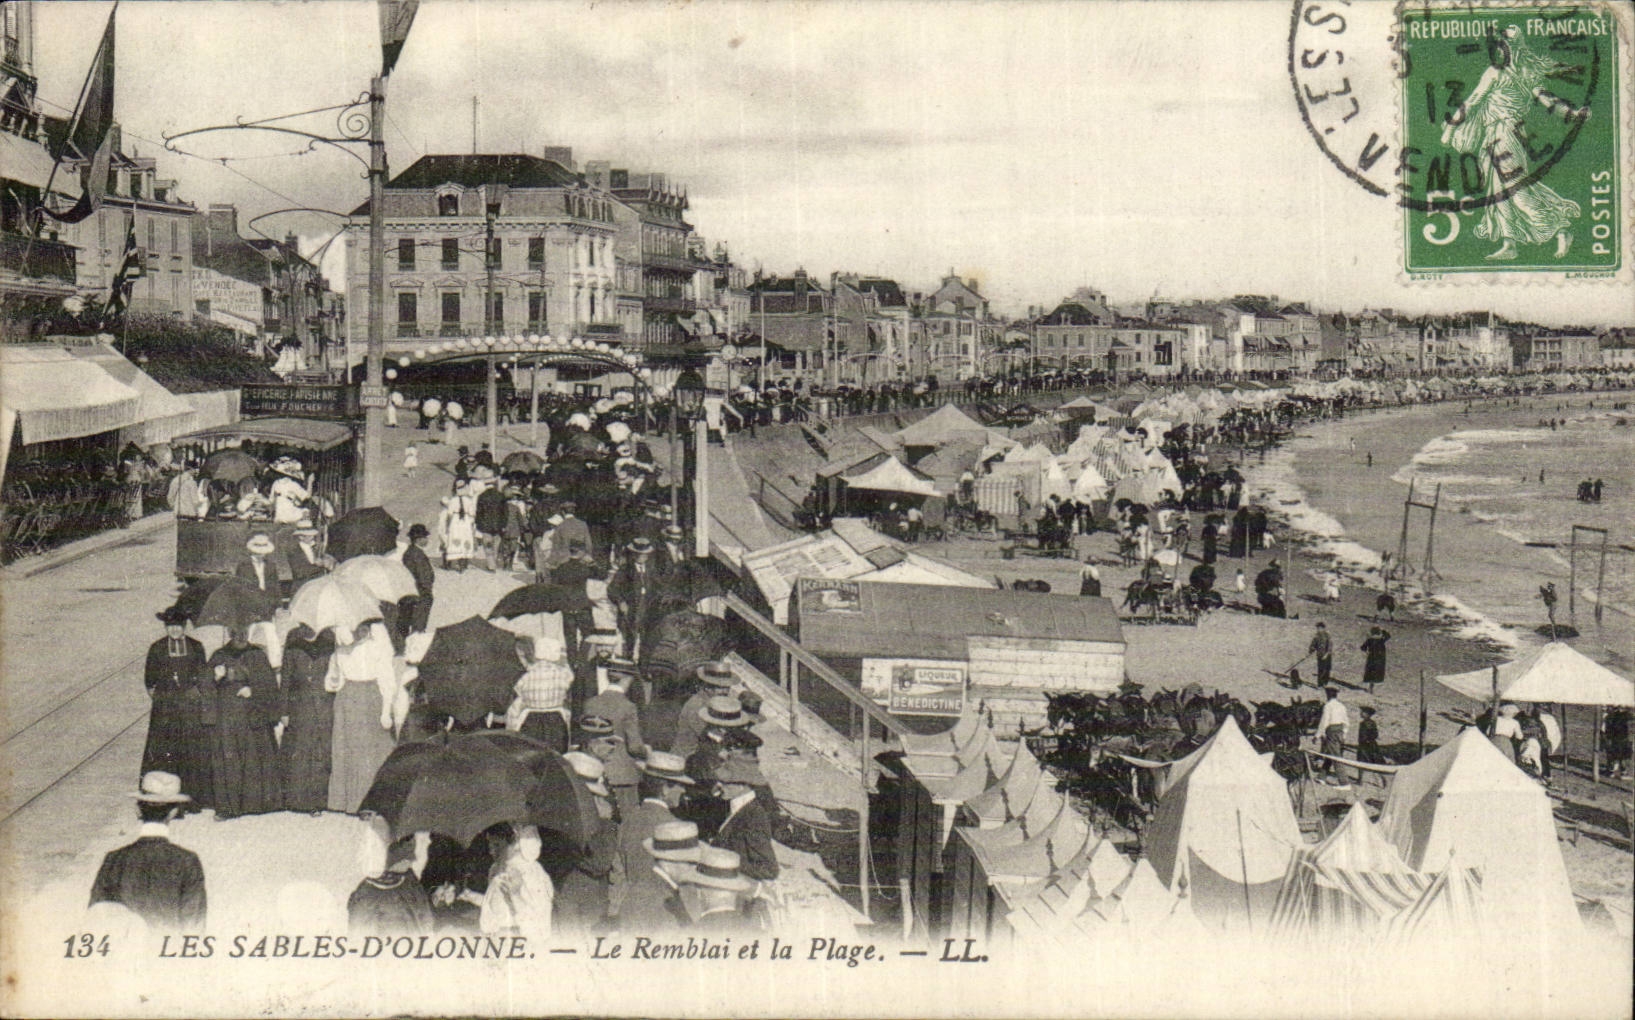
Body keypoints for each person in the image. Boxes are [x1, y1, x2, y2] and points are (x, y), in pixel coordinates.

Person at [1439, 24, 1583, 261]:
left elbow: (1472, 102)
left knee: (1515, 189)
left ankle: (1559, 228)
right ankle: (1509, 243)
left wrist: (1451, 128)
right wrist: (1571, 114)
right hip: (1500, 136)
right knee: (1499, 191)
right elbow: (1549, 102)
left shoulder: (1495, 73)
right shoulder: (1527, 74)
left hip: (1503, 134)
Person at [90, 772, 206, 931]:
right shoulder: (187, 861)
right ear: (173, 813)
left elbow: (95, 920)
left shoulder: (114, 859)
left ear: (137, 810)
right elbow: (194, 928)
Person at [141, 607, 213, 809]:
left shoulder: (196, 647)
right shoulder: (157, 648)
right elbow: (150, 681)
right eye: (170, 626)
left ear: (184, 627)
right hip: (165, 711)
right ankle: (164, 800)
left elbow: (203, 676)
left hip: (189, 710)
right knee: (165, 751)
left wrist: (193, 695)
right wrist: (164, 700)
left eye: (178, 626)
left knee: (191, 752)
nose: (174, 630)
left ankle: (193, 800)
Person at [207, 625, 281, 817]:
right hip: (227, 714)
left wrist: (253, 690)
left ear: (248, 633)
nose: (239, 636)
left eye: (243, 632)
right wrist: (216, 676)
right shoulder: (219, 655)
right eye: (235, 632)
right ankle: (230, 806)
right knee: (229, 758)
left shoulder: (257, 654)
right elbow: (205, 685)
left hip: (252, 713)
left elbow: (270, 684)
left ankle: (253, 804)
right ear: (229, 633)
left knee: (253, 755)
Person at [279, 625, 336, 812]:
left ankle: (319, 801)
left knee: (321, 750)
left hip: (324, 705)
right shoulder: (294, 641)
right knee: (301, 751)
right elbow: (286, 679)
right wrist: (284, 711)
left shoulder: (329, 640)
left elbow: (336, 672)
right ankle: (298, 800)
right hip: (300, 706)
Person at [706, 756, 779, 889]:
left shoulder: (753, 817)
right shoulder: (736, 806)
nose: (719, 786)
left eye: (725, 782)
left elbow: (769, 869)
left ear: (742, 786)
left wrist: (725, 860)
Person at [479, 823, 554, 944]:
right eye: (490, 845)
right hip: (494, 940)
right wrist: (467, 895)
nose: (491, 851)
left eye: (497, 845)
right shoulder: (495, 869)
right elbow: (494, 906)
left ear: (514, 842)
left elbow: (539, 922)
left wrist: (515, 894)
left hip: (521, 940)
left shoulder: (532, 870)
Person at [349, 833, 434, 936]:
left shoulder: (411, 883)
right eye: (406, 859)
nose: (412, 861)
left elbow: (425, 918)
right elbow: (358, 930)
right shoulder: (366, 893)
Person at [506, 636, 574, 752]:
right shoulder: (564, 674)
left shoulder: (526, 675)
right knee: (556, 754)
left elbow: (517, 700)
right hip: (556, 719)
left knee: (532, 754)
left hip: (531, 720)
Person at [671, 664, 739, 758]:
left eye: (727, 688)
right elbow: (712, 736)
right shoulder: (697, 705)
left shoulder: (713, 703)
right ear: (707, 687)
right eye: (720, 688)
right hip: (686, 757)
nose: (725, 692)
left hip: (701, 755)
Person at [401, 524, 435, 636]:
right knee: (419, 627)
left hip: (413, 593)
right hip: (421, 594)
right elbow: (422, 575)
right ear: (418, 539)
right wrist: (428, 592)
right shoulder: (417, 554)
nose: (427, 540)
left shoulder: (410, 552)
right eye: (425, 537)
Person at [439, 479, 478, 572]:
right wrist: (472, 525)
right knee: (464, 539)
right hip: (465, 521)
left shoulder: (453, 500)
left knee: (456, 538)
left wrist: (448, 526)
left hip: (456, 521)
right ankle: (463, 563)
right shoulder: (469, 501)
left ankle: (456, 562)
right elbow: (472, 514)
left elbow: (450, 514)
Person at [1317, 686, 1348, 785]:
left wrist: (1317, 735)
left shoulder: (1328, 706)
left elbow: (1324, 722)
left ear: (1328, 695)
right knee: (1330, 753)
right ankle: (1322, 777)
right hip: (1340, 732)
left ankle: (1344, 783)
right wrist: (1344, 734)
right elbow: (1346, 722)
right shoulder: (1342, 706)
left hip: (1332, 732)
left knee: (1335, 756)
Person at [1356, 706, 1382, 785]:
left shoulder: (1364, 723)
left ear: (1367, 714)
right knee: (1373, 763)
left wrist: (1366, 740)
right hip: (1370, 745)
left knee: (1361, 762)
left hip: (1365, 746)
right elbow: (1376, 734)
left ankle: (1360, 780)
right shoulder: (1372, 723)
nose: (1361, 713)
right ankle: (1380, 780)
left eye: (1363, 712)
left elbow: (1366, 735)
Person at [1360, 626, 1391, 693]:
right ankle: (1371, 688)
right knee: (1376, 673)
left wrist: (1367, 651)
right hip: (1379, 658)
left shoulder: (1370, 640)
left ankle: (1370, 687)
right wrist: (1383, 630)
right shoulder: (1381, 640)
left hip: (1371, 658)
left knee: (1371, 672)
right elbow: (1388, 636)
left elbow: (1363, 648)